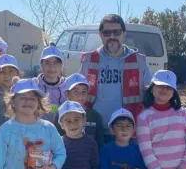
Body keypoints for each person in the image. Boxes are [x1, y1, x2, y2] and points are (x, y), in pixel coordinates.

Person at [79, 14, 152, 143]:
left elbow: (151, 93)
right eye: (107, 32)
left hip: (128, 131)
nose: (112, 36)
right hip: (96, 131)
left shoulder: (139, 60)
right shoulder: (89, 60)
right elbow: (77, 92)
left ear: (124, 34)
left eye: (116, 32)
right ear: (100, 35)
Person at [54, 73, 105, 146]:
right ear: (67, 94)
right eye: (75, 91)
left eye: (84, 91)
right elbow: (56, 143)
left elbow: (100, 144)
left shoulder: (95, 115)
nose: (80, 95)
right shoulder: (60, 114)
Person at [34, 46, 67, 123]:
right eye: (47, 63)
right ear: (41, 65)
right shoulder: (34, 85)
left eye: (55, 63)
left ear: (61, 66)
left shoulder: (68, 85)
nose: (51, 67)